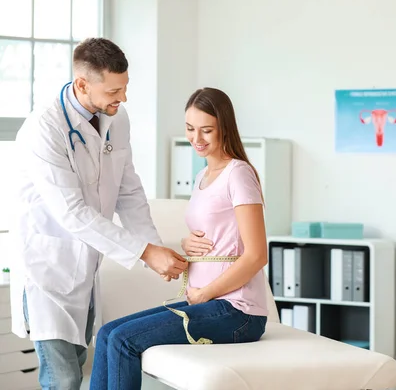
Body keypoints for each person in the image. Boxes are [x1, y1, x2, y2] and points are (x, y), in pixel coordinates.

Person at [8, 38, 213, 390]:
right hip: (48, 269)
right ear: (82, 84)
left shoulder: (116, 119)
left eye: (125, 87)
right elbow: (71, 213)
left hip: (86, 267)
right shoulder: (44, 129)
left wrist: (152, 250)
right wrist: (146, 252)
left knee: (79, 363)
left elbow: (128, 190)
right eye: (114, 90)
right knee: (63, 379)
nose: (123, 98)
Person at [89, 87, 269, 389]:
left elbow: (256, 255)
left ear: (225, 127)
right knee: (108, 333)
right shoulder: (202, 176)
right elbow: (217, 233)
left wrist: (206, 292)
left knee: (123, 341)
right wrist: (187, 244)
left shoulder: (239, 174)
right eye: (190, 129)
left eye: (207, 130)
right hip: (206, 302)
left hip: (237, 311)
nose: (196, 139)